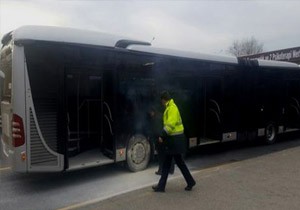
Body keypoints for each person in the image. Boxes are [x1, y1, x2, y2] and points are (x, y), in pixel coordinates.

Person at [152, 91, 196, 192]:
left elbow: (170, 126)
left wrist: (162, 136)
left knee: (173, 163)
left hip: (174, 141)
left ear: (164, 100)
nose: (161, 103)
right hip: (174, 141)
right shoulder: (171, 107)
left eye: (161, 101)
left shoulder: (172, 108)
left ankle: (162, 187)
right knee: (171, 163)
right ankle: (162, 186)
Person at [148, 107, 175, 175]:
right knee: (167, 154)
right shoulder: (160, 116)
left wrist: (160, 137)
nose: (150, 114)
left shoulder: (156, 118)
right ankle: (171, 169)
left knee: (161, 156)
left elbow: (158, 128)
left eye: (150, 113)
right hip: (164, 138)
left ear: (153, 112)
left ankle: (161, 170)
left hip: (160, 139)